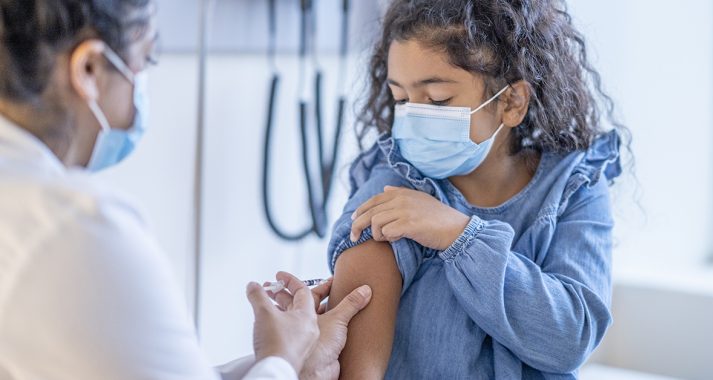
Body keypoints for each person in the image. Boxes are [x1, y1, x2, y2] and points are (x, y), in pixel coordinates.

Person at [0, 1, 371, 379]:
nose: (139, 96)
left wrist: (281, 357)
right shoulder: (71, 229)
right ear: (90, 69)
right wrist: (286, 360)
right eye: (144, 62)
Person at [326, 0, 630, 379]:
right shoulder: (397, 179)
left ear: (511, 101)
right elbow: (357, 362)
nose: (412, 118)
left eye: (437, 99)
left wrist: (460, 236)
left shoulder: (574, 186)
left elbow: (569, 339)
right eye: (401, 99)